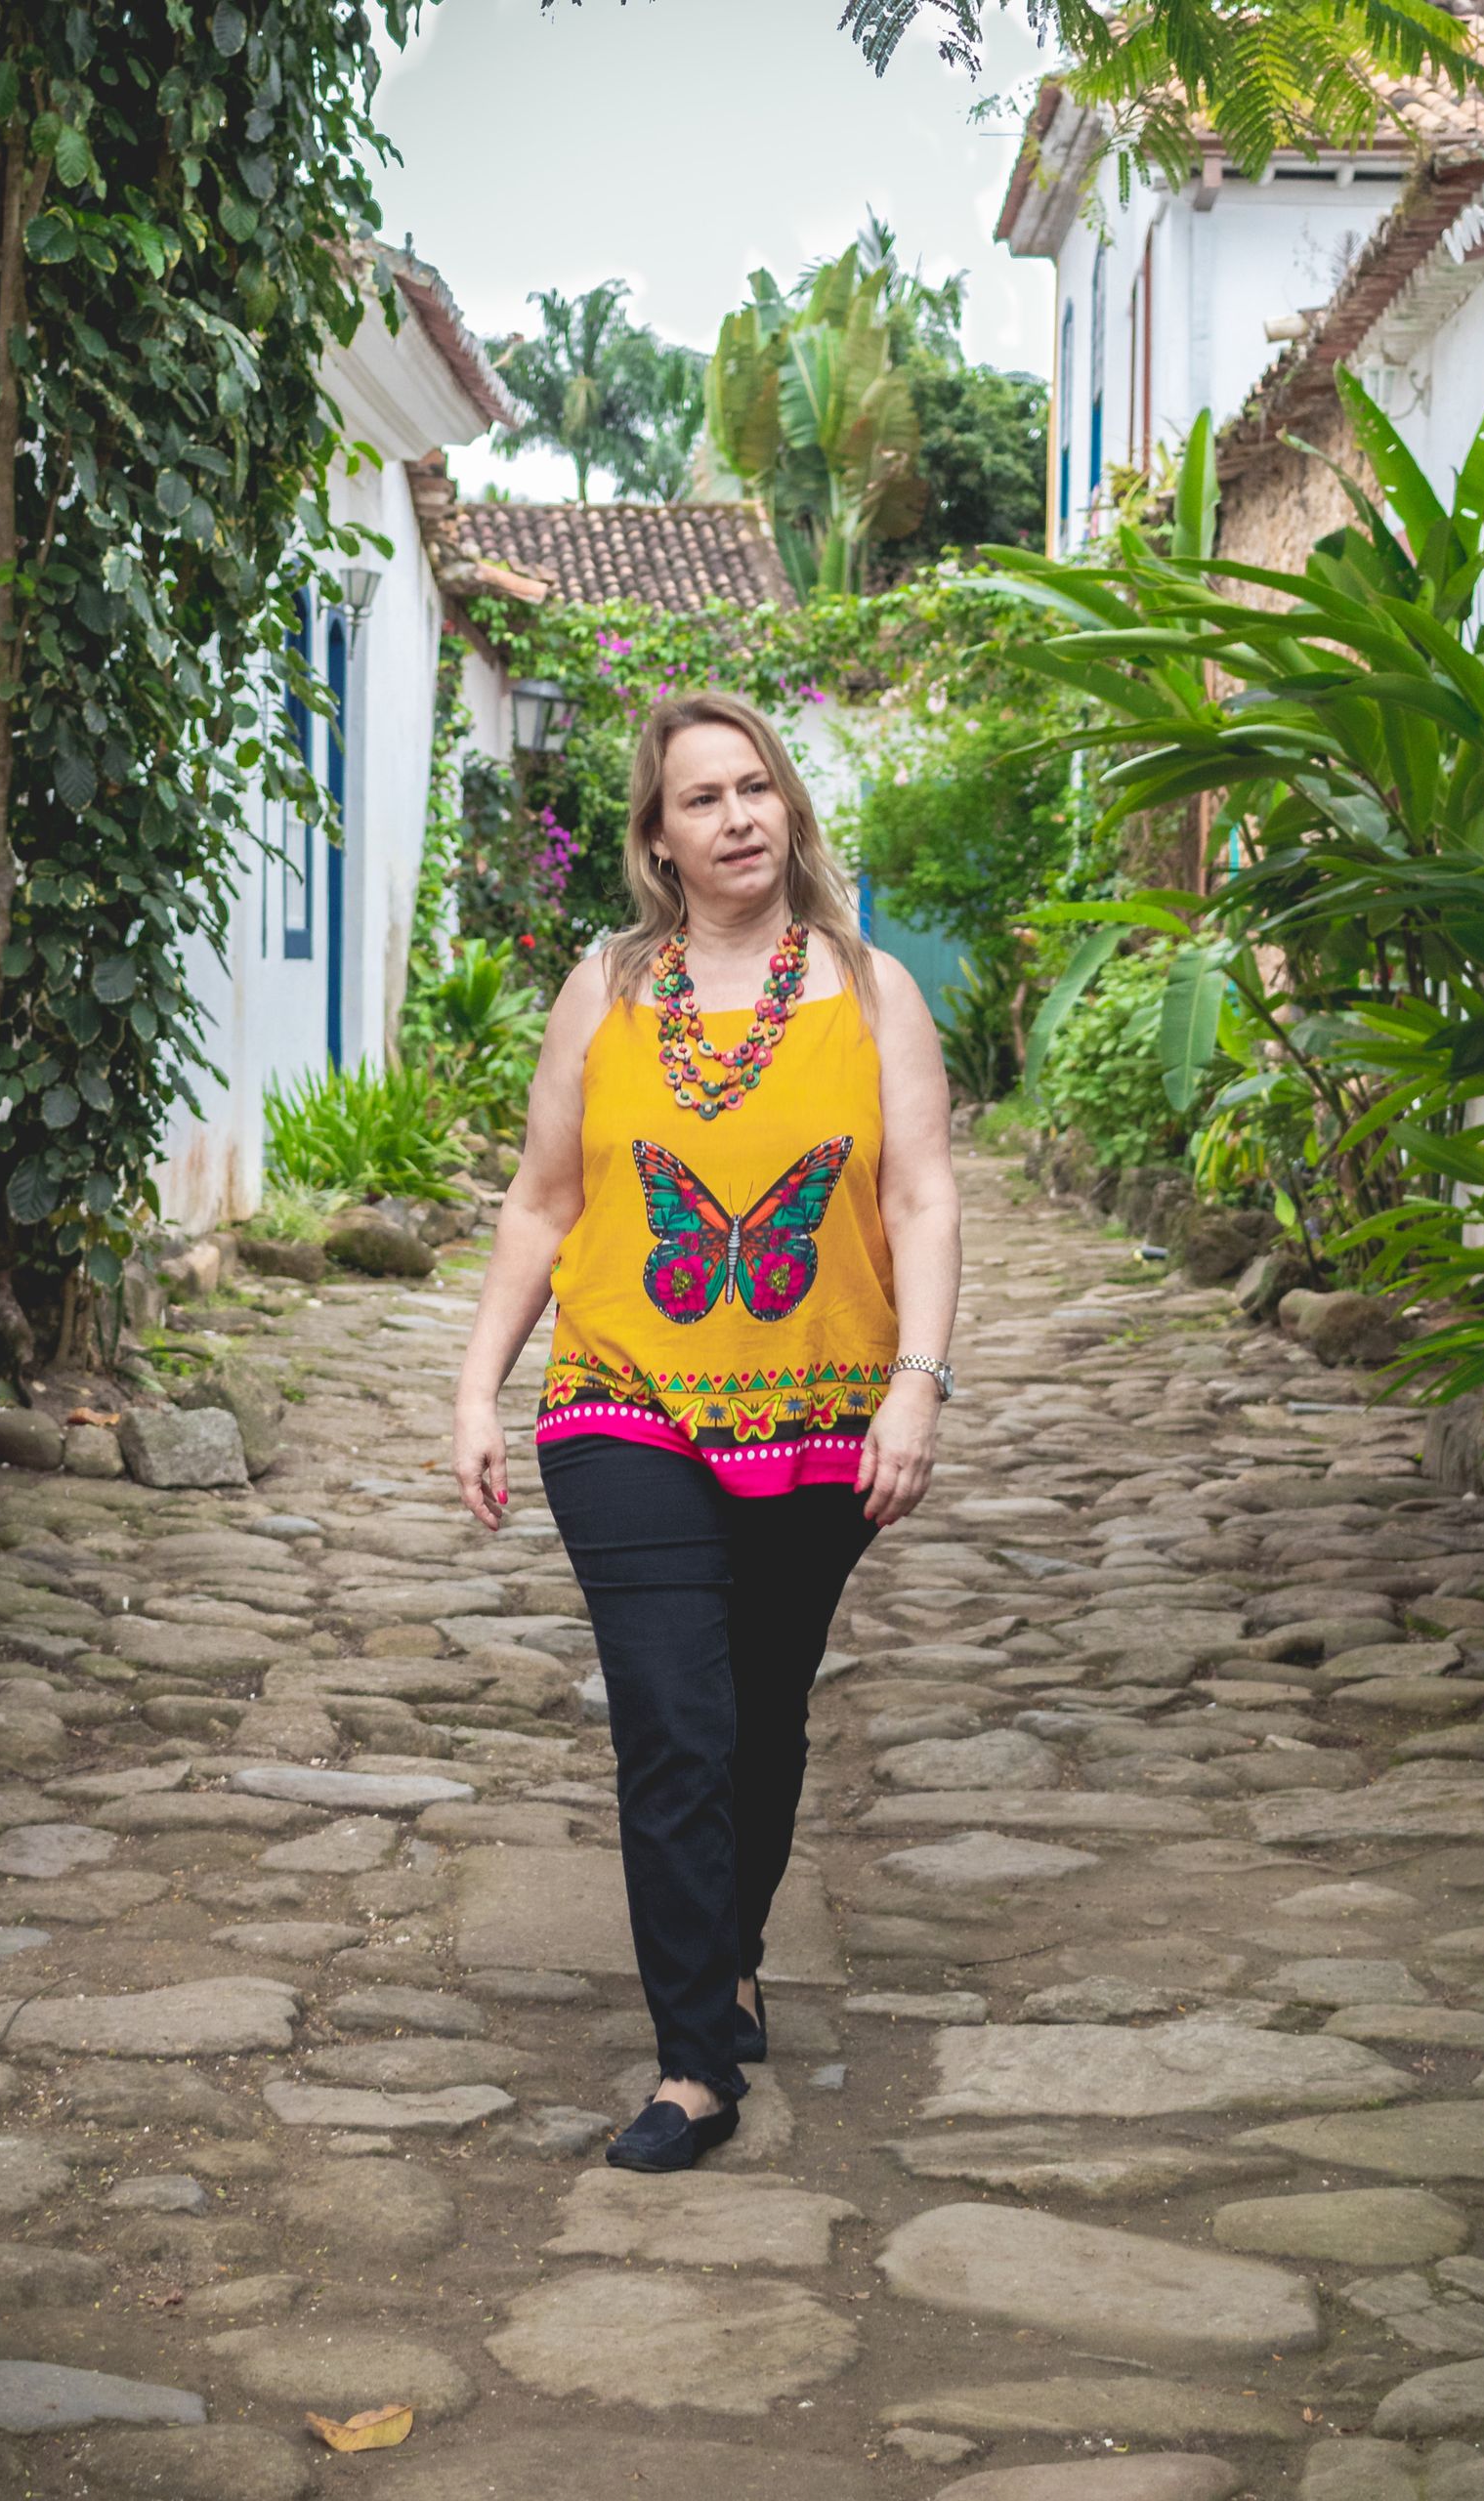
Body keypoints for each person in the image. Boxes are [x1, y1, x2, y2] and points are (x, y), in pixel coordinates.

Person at [450, 691, 961, 2172]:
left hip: (821, 1414)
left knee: (761, 1714)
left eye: (756, 788)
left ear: (787, 807)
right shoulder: (604, 990)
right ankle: (693, 2064)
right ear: (658, 840)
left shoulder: (871, 991)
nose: (738, 818)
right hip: (621, 1403)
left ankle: (731, 1954)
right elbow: (544, 1200)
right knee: (673, 1721)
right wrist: (478, 1387)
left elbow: (921, 1196)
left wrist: (919, 1381)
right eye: (701, 798)